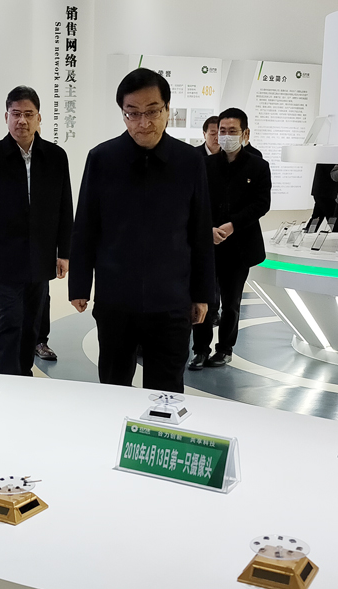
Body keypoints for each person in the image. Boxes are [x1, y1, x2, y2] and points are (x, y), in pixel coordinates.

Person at [69, 68, 215, 393]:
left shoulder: (189, 162)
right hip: (116, 297)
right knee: (113, 385)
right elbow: (86, 226)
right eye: (132, 113)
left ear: (167, 109)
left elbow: (200, 231)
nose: (143, 123)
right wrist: (79, 284)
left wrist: (203, 294)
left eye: (152, 112)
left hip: (171, 299)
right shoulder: (102, 158)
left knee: (166, 390)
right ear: (123, 113)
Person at [0, 86, 73, 376]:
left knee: (32, 321)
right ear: (6, 116)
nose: (22, 121)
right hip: (6, 255)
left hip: (42, 254)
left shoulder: (55, 156)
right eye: (16, 114)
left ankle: (24, 373)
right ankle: (8, 377)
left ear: (39, 118)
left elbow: (65, 207)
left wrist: (64, 252)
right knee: (10, 320)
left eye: (29, 114)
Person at [189, 108, 271, 370]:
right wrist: (208, 229)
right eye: (222, 131)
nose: (225, 136)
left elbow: (261, 204)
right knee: (204, 298)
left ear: (245, 133)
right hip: (208, 244)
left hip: (239, 247)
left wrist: (233, 225)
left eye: (232, 131)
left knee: (231, 302)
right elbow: (196, 203)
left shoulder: (258, 166)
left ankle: (225, 348)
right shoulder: (206, 165)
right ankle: (200, 350)